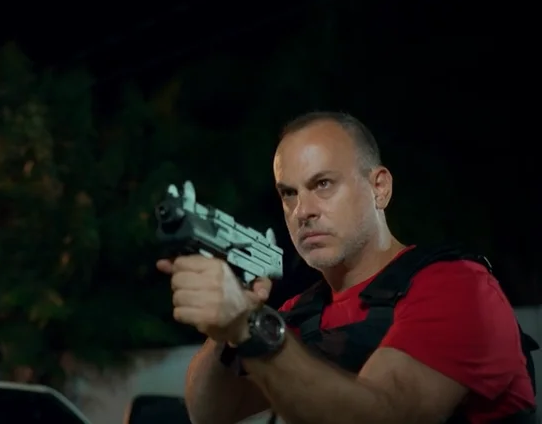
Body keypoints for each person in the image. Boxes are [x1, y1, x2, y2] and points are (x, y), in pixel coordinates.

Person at [159, 112, 536, 424]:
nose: (302, 211)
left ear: (379, 188)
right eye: (289, 193)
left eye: (323, 184)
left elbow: (387, 414)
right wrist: (226, 328)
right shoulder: (299, 314)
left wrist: (249, 325)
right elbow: (209, 413)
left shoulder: (456, 285)